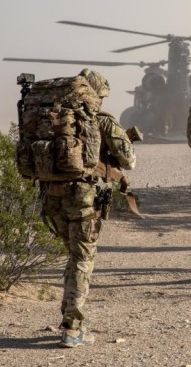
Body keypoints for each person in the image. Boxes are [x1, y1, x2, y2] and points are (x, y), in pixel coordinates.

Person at [42, 69, 136, 347]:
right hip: (83, 198)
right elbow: (129, 160)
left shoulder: (52, 117)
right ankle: (72, 328)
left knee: (73, 256)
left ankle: (68, 315)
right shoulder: (101, 120)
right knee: (83, 259)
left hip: (50, 197)